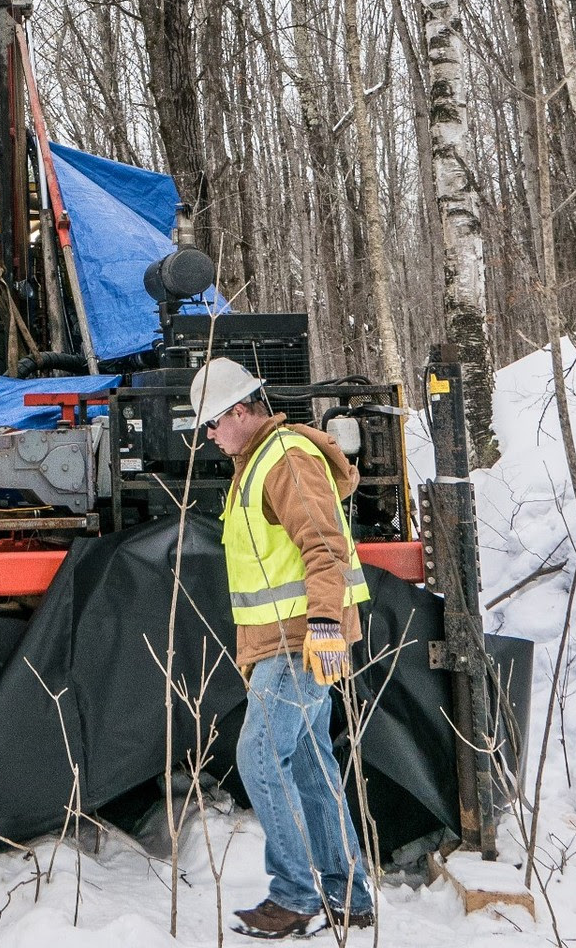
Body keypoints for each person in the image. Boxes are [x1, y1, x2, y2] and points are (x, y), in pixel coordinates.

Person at [188, 357, 374, 940]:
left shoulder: (286, 459)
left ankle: (295, 896)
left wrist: (322, 626)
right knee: (312, 764)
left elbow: (323, 549)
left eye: (212, 424)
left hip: (300, 641)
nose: (208, 437)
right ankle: (349, 896)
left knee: (262, 758)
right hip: (288, 639)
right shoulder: (258, 462)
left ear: (241, 411)